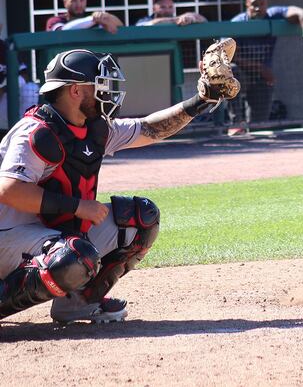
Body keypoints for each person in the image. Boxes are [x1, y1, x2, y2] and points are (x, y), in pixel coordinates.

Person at [0, 43, 234, 323]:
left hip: (44, 233)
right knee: (75, 255)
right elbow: (9, 189)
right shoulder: (36, 131)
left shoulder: (93, 126)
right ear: (75, 91)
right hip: (8, 235)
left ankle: (78, 303)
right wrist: (78, 207)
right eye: (99, 84)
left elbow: (149, 129)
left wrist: (201, 101)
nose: (107, 91)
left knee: (139, 219)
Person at [227, 0, 303, 134]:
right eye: (254, 4)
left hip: (263, 80)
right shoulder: (238, 22)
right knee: (229, 71)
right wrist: (260, 67)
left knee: (259, 127)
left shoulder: (272, 14)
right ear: (247, 4)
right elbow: (226, 56)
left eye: (262, 4)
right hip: (243, 75)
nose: (259, 8)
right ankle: (236, 123)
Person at [46, 0, 123, 34]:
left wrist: (106, 16)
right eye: (74, 1)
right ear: (65, 3)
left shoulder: (96, 20)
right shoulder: (55, 20)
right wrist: (93, 19)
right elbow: (63, 31)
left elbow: (120, 27)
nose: (79, 5)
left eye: (82, 0)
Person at [136, 0, 207, 26]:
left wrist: (191, 17)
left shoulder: (180, 20)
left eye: (170, 7)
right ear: (154, 8)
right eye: (162, 7)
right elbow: (149, 24)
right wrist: (178, 19)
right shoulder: (144, 20)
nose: (167, 10)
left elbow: (204, 20)